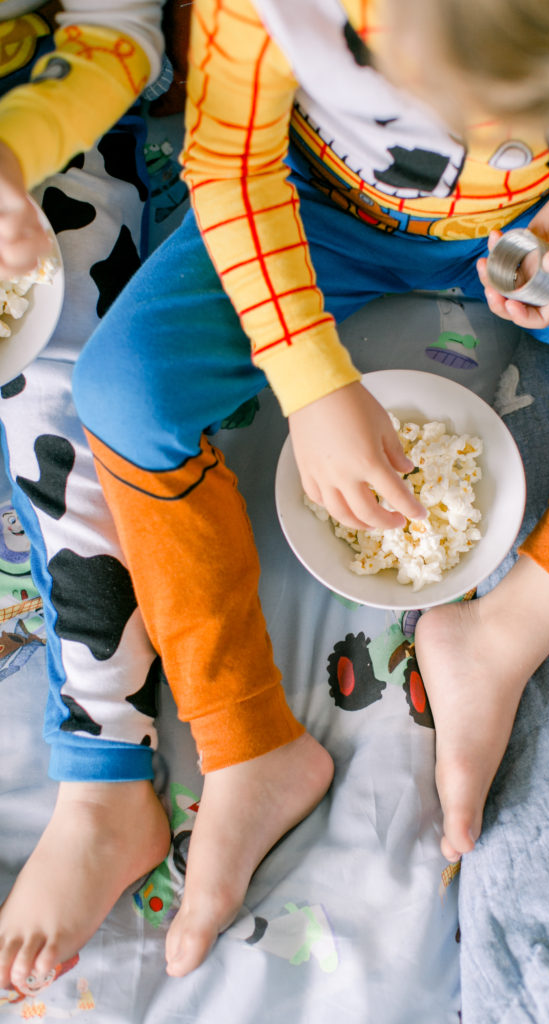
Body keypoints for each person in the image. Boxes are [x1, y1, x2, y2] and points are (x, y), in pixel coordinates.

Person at [72, 0, 549, 978]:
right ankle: (245, 744)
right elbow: (229, 165)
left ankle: (497, 637)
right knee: (122, 392)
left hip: (548, 217)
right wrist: (308, 379)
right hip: (305, 213)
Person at [0, 0, 173, 995]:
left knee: (64, 410)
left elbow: (116, 29)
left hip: (50, 129)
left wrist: (16, 153)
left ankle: (105, 775)